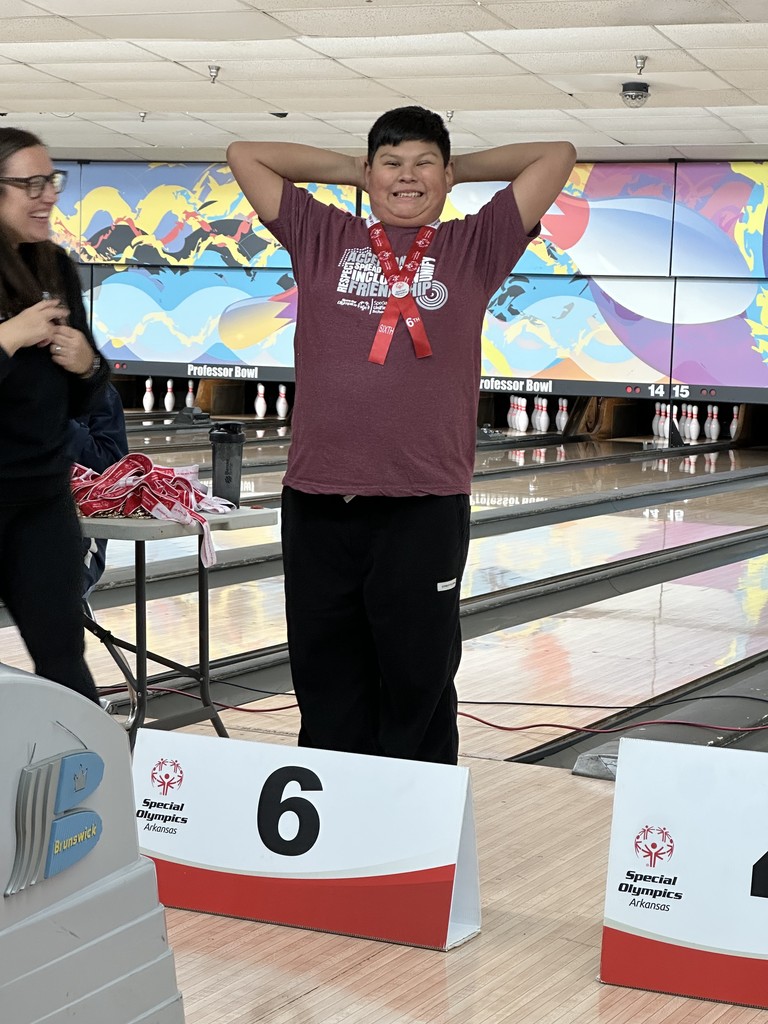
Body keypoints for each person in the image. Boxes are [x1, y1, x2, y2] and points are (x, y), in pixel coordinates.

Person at [227, 107, 576, 764]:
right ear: (368, 172)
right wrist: (361, 170)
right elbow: (245, 151)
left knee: (417, 686)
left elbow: (556, 154)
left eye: (423, 164)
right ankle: (334, 837)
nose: (406, 177)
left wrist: (448, 170)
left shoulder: (475, 245)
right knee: (325, 681)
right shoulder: (322, 233)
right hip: (319, 500)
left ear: (445, 178)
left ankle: (415, 839)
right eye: (391, 162)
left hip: (424, 503)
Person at [0, 127, 109, 703]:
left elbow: (86, 399)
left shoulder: (55, 268)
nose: (47, 195)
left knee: (64, 658)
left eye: (52, 181)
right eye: (31, 184)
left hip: (42, 499)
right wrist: (10, 338)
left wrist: (88, 366)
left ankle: (83, 790)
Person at [67, 382, 129, 594]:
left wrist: (56, 420)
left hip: (76, 529)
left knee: (62, 588)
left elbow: (114, 469)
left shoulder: (99, 392)